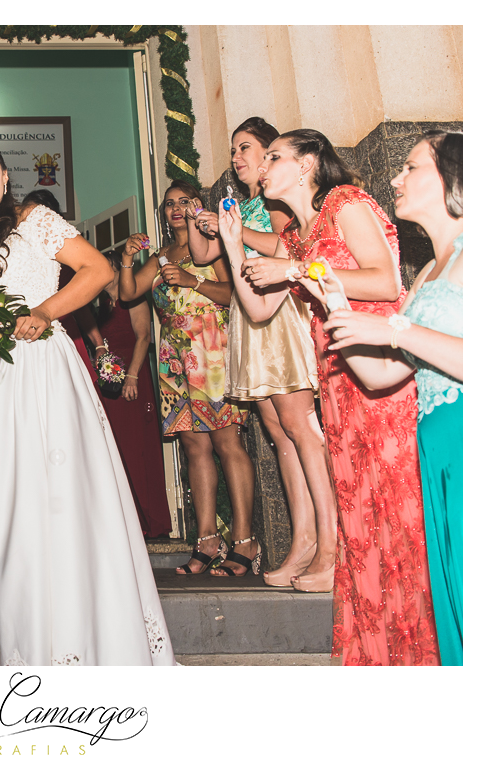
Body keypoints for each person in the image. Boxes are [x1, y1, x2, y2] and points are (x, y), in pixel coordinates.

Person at [0, 132, 175, 665]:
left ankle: (64, 639)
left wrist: (44, 311)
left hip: (38, 371)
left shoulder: (35, 221)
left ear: (4, 176)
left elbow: (99, 271)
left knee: (46, 496)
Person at [218, 128, 439, 665]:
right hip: (338, 380)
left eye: (274, 156)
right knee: (361, 510)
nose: (262, 166)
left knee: (397, 511)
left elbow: (385, 281)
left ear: (308, 163)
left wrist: (294, 269)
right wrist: (232, 241)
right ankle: (381, 651)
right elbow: (259, 309)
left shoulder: (344, 202)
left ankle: (422, 650)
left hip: (382, 372)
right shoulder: (299, 235)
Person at [319, 131, 462, 664]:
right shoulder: (425, 274)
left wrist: (396, 329)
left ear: (454, 178)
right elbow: (380, 375)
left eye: (411, 167)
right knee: (450, 597)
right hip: (433, 451)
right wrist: (336, 304)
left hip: (467, 437)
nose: (396, 178)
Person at [189, 117, 334, 587]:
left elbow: (286, 248)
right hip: (253, 310)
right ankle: (304, 540)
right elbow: (205, 256)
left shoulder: (274, 203)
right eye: (234, 150)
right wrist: (208, 223)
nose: (238, 157)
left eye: (248, 148)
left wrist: (236, 234)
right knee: (278, 433)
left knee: (299, 427)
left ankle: (329, 542)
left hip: (280, 310)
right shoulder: (248, 202)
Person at [119, 181, 258, 578]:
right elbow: (128, 294)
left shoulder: (212, 245)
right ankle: (207, 540)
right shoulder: (162, 255)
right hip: (175, 359)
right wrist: (127, 258)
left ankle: (245, 541)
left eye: (184, 202)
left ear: (198, 205)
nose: (176, 208)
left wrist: (192, 281)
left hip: (212, 351)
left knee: (227, 443)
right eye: (169, 204)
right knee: (194, 448)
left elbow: (235, 293)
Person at [67, 251, 172, 539]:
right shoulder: (98, 306)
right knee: (115, 446)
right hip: (108, 381)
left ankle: (148, 519)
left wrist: (132, 376)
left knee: (138, 445)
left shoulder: (133, 298)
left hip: (133, 375)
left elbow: (143, 336)